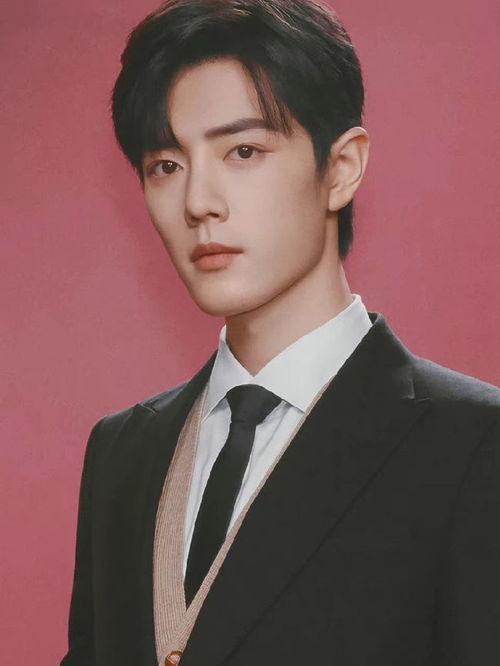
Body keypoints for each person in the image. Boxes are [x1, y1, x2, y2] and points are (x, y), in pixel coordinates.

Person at [60, 1, 500, 664]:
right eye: (166, 165)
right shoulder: (122, 452)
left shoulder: (474, 444)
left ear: (341, 167)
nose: (198, 202)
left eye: (243, 151)